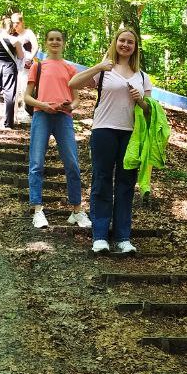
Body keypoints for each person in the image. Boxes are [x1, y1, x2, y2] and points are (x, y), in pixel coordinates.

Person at [69, 26, 152, 256]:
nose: (125, 45)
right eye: (122, 40)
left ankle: (123, 237)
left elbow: (150, 112)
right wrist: (98, 66)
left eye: (130, 42)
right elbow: (73, 83)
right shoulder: (105, 70)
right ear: (116, 43)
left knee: (126, 184)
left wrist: (140, 100)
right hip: (104, 130)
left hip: (131, 134)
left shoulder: (142, 76)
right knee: (102, 180)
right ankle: (100, 236)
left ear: (135, 47)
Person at [24, 30, 91, 231]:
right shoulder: (38, 66)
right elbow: (27, 97)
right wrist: (43, 105)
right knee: (36, 163)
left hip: (64, 118)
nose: (55, 42)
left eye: (58, 39)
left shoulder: (70, 69)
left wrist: (70, 106)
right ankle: (37, 210)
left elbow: (76, 99)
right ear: (46, 42)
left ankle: (76, 210)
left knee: (72, 164)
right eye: (51, 39)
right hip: (42, 116)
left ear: (63, 43)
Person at [11, 11, 39, 123]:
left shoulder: (28, 33)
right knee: (15, 89)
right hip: (15, 65)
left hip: (27, 66)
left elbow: (35, 46)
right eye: (13, 23)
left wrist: (30, 58)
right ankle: (14, 114)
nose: (15, 25)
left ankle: (28, 112)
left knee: (25, 88)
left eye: (17, 23)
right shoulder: (13, 35)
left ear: (22, 22)